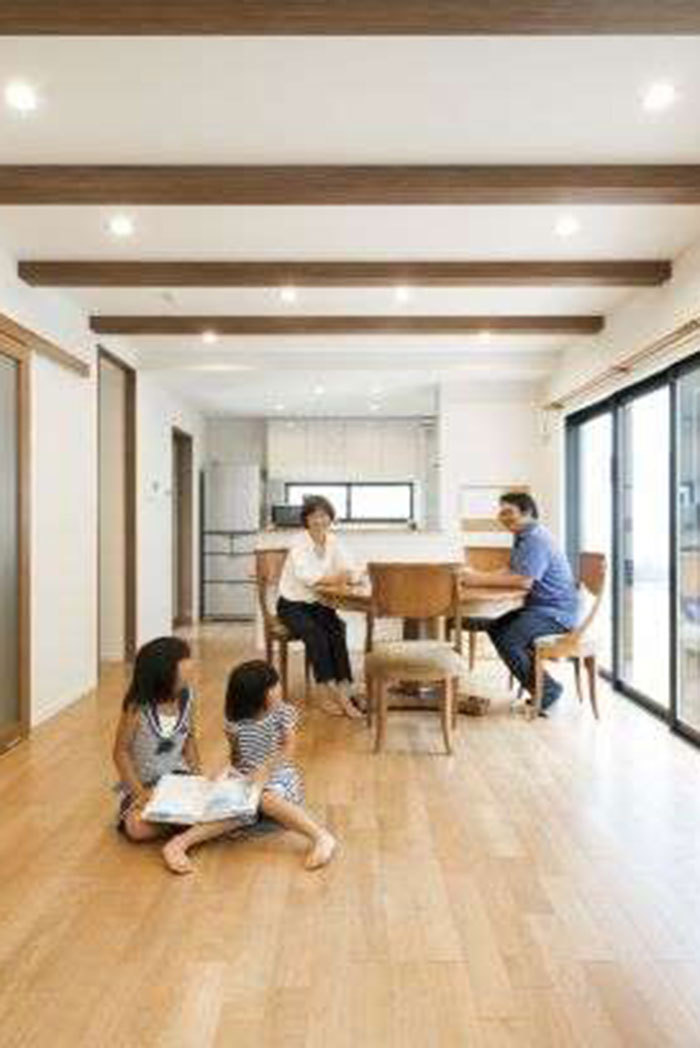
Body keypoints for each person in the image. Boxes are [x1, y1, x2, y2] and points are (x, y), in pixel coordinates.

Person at [162, 660, 337, 874]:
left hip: (279, 775)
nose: (279, 688)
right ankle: (179, 843)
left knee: (264, 798)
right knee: (233, 808)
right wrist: (226, 772)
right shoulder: (234, 724)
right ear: (255, 695)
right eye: (273, 685)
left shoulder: (283, 713)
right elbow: (237, 758)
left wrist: (266, 769)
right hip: (247, 779)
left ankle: (320, 836)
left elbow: (289, 749)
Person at [461, 492, 579, 713]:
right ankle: (542, 685)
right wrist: (477, 574)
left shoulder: (536, 539)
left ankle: (548, 691)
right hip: (541, 609)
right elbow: (510, 570)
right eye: (501, 512)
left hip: (556, 614)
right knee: (496, 628)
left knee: (508, 637)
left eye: (509, 512)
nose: (503, 517)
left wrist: (475, 578)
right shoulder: (524, 535)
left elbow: (523, 581)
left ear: (527, 512)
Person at [276, 495, 362, 719]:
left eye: (324, 515)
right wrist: (336, 577)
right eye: (313, 516)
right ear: (306, 519)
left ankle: (344, 690)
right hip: (291, 604)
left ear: (330, 518)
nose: (319, 520)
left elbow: (351, 568)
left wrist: (349, 575)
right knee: (316, 635)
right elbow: (306, 576)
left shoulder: (333, 541)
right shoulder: (298, 542)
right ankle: (326, 694)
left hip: (317, 603)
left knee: (337, 629)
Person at [112, 635, 200, 841]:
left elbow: (189, 740)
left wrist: (198, 778)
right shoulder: (137, 707)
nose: (191, 663)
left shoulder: (188, 697)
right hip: (145, 785)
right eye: (185, 658)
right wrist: (140, 793)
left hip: (179, 779)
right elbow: (120, 752)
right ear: (165, 669)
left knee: (206, 807)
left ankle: (180, 822)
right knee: (136, 828)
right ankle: (188, 825)